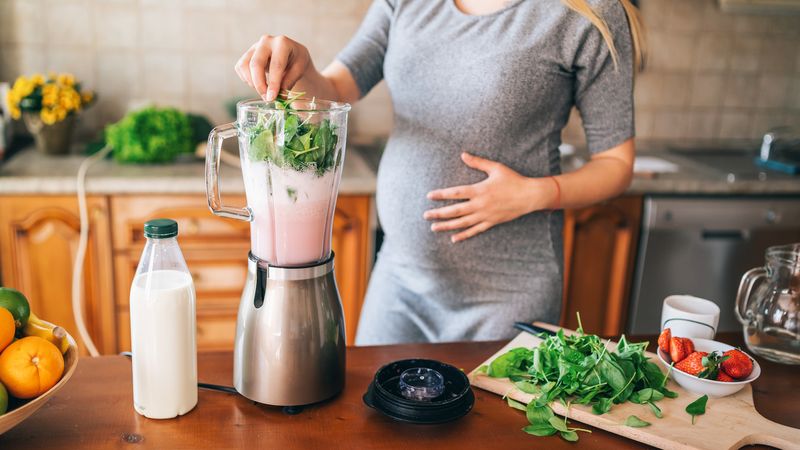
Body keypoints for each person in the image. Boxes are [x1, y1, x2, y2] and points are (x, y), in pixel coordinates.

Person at [234, 0, 645, 345]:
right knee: (370, 431)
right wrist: (300, 69)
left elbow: (616, 165)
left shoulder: (587, 13)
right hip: (399, 280)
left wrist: (535, 194)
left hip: (507, 293)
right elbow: (336, 89)